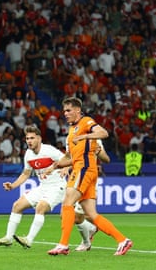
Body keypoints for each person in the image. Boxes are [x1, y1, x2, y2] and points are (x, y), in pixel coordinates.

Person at [46, 97, 132, 256]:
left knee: (67, 203)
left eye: (69, 110)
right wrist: (53, 167)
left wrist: (85, 136)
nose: (65, 113)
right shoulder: (71, 131)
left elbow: (104, 132)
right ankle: (122, 240)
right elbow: (69, 157)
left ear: (78, 110)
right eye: (64, 110)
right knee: (91, 214)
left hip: (84, 169)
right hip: (85, 170)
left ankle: (63, 245)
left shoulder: (85, 122)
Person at [0, 126, 66, 249]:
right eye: (27, 138)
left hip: (57, 187)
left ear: (39, 139)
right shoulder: (28, 154)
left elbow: (68, 159)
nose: (29, 141)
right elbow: (26, 173)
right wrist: (13, 185)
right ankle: (8, 238)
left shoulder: (49, 150)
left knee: (41, 207)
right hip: (43, 187)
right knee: (17, 205)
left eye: (32, 138)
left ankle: (29, 240)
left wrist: (66, 168)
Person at [74, 139, 110, 252]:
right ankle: (91, 229)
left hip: (88, 180)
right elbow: (70, 157)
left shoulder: (95, 138)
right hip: (75, 179)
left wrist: (98, 151)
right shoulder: (71, 136)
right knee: (79, 215)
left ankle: (122, 240)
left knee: (77, 215)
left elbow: (106, 159)